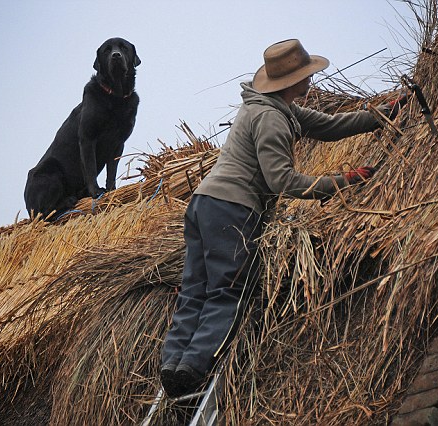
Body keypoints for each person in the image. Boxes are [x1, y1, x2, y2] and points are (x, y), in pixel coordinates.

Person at [159, 39, 406, 398]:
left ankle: (172, 362)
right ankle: (193, 369)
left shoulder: (272, 107)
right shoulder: (273, 118)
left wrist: (381, 114)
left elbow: (330, 126)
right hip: (233, 208)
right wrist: (342, 182)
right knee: (228, 291)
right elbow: (283, 181)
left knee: (195, 289)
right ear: (294, 81)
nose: (312, 80)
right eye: (308, 75)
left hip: (203, 204)